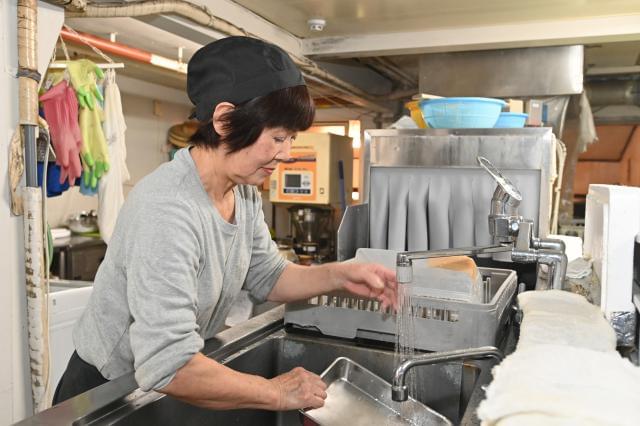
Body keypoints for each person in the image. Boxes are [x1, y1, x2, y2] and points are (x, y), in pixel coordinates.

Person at [53, 36, 397, 411]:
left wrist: (343, 276)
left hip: (157, 384)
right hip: (105, 396)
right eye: (278, 137)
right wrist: (277, 392)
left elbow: (268, 275)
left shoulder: (243, 191)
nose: (286, 153)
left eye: (291, 138)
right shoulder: (167, 209)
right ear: (224, 120)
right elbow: (168, 364)